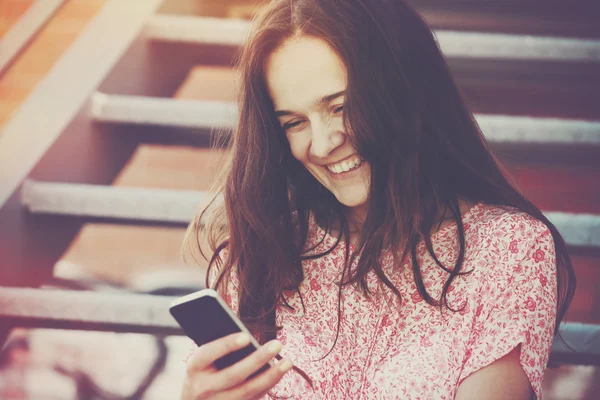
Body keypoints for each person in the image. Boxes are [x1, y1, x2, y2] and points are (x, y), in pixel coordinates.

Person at [180, 0, 576, 398]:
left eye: (341, 106)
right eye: (295, 122)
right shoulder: (264, 252)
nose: (321, 144)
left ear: (407, 90)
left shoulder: (510, 250)